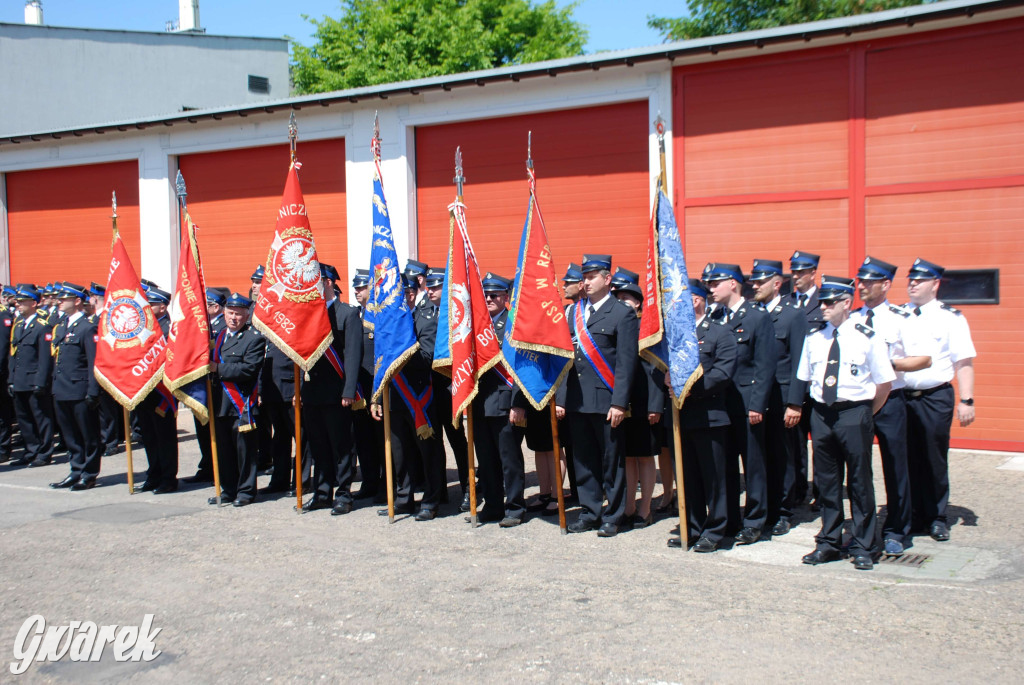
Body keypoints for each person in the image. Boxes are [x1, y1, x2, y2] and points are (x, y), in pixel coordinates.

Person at [797, 276, 895, 571]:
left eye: (828, 302)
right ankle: (828, 541)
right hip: (823, 414)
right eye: (821, 302)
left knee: (859, 482)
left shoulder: (867, 336)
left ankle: (864, 544)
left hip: (855, 413)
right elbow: (806, 378)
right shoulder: (815, 337)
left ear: (846, 303)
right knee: (826, 482)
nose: (822, 307)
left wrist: (865, 413)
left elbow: (884, 383)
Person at [850, 256, 934, 554]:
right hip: (857, 401)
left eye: (869, 282)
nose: (862, 286)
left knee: (896, 467)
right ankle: (863, 529)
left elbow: (924, 358)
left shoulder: (902, 318)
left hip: (891, 401)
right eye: (860, 281)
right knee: (858, 469)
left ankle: (898, 528)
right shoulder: (852, 318)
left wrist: (888, 363)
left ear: (886, 285)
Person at [557, 254, 638, 537]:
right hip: (578, 402)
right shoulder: (573, 313)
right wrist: (561, 399)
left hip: (606, 401)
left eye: (592, 276)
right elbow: (567, 360)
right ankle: (590, 512)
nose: (586, 282)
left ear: (608, 279)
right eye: (584, 277)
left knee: (611, 461)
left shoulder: (622, 313)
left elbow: (627, 363)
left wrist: (619, 402)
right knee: (583, 460)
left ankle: (613, 516)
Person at [902, 258, 977, 542]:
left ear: (935, 284)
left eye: (919, 280)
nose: (912, 284)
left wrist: (967, 400)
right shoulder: (899, 314)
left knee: (933, 458)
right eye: (910, 280)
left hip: (934, 397)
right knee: (905, 457)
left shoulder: (950, 318)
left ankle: (936, 516)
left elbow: (964, 361)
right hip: (903, 397)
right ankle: (910, 514)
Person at [703, 262, 777, 545]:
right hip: (722, 404)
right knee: (725, 465)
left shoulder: (757, 317)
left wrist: (757, 405)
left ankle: (756, 520)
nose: (711, 289)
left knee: (754, 464)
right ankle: (731, 518)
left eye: (715, 283)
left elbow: (765, 365)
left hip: (748, 403)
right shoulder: (717, 318)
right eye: (709, 284)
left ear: (733, 283)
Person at [668, 279, 736, 551]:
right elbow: (659, 367)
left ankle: (716, 530)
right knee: (687, 477)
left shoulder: (720, 333)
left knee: (713, 478)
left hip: (709, 416)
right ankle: (692, 527)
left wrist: (689, 387)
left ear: (695, 300)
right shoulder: (673, 336)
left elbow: (723, 373)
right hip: (679, 417)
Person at [374, 273, 446, 521]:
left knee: (428, 452)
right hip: (393, 396)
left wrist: (403, 347)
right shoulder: (387, 325)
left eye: (400, 295)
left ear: (411, 294)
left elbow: (428, 359)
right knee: (399, 453)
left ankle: (430, 499)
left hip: (419, 398)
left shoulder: (426, 321)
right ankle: (403, 499)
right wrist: (376, 397)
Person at [748, 259, 808, 537]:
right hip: (759, 397)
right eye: (754, 281)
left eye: (760, 281)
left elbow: (799, 362)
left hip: (783, 397)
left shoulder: (792, 315)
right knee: (761, 457)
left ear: (777, 283)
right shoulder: (751, 313)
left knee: (784, 457)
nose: (755, 286)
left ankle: (783, 511)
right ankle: (763, 508)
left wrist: (795, 402)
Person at [300, 264, 363, 516]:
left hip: (337, 392)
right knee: (318, 446)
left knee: (341, 446)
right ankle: (322, 492)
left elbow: (352, 356)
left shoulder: (347, 314)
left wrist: (349, 390)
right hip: (312, 391)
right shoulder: (306, 314)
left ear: (327, 282)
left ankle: (344, 494)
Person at [473, 273, 526, 527]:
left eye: (494, 294)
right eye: (486, 295)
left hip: (506, 402)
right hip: (480, 402)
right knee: (486, 460)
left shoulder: (513, 324)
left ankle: (514, 507)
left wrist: (519, 403)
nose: (489, 298)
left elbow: (522, 369)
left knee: (509, 459)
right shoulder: (475, 325)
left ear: (506, 297)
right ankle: (493, 505)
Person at [613, 280, 663, 529]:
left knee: (644, 456)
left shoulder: (647, 326)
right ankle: (629, 506)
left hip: (645, 402)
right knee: (628, 456)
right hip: (623, 400)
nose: (623, 303)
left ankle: (645, 508)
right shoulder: (619, 323)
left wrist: (656, 403)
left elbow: (654, 368)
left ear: (638, 302)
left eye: (627, 298)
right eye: (618, 298)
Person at [208, 293, 266, 507]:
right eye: (231, 313)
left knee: (245, 452)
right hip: (220, 403)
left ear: (246, 315)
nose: (234, 318)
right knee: (224, 451)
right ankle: (228, 489)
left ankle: (246, 491)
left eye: (239, 314)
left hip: (241, 405)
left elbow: (249, 369)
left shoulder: (253, 338)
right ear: (224, 313)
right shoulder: (219, 337)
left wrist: (218, 369)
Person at [47, 283, 102, 491]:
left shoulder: (88, 328)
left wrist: (93, 391)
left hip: (80, 389)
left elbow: (93, 362)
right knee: (70, 434)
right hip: (61, 389)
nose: (59, 301)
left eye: (64, 298)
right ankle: (76, 469)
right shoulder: (61, 326)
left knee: (88, 434)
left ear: (77, 301)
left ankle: (89, 474)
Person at [425, 267, 470, 509]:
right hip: (428, 391)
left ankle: (468, 489)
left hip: (452, 388)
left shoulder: (458, 314)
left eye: (435, 286)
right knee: (433, 444)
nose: (430, 290)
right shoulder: (422, 313)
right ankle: (437, 492)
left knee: (458, 443)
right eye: (428, 286)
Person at [136, 286, 179, 493]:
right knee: (149, 436)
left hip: (162, 391)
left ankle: (168, 478)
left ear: (162, 306)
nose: (148, 307)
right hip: (145, 389)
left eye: (152, 304)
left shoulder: (169, 328)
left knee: (165, 437)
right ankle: (153, 474)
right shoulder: (145, 327)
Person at [8, 285, 54, 468]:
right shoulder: (19, 324)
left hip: (34, 380)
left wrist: (41, 382)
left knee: (41, 418)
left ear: (34, 303)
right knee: (24, 419)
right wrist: (11, 379)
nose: (18, 304)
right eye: (18, 301)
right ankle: (31, 450)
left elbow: (44, 358)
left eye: (23, 301)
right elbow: (14, 355)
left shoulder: (42, 327)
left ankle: (44, 453)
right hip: (19, 380)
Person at [350, 268, 385, 502]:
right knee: (363, 439)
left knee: (382, 439)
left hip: (377, 386)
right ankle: (369, 481)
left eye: (361, 287)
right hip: (359, 388)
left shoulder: (381, 316)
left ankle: (385, 485)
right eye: (356, 287)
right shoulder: (353, 316)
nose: (356, 291)